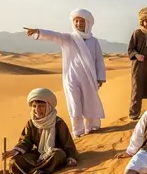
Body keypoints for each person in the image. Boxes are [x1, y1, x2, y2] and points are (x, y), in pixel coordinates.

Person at [24, 9, 106, 137]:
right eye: (76, 21)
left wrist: (100, 77)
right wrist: (38, 32)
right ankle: (78, 131)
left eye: (81, 21)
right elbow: (54, 35)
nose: (79, 24)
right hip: (72, 78)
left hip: (89, 78)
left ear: (88, 23)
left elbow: (99, 60)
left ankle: (92, 127)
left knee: (90, 102)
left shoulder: (93, 41)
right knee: (74, 104)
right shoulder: (68, 38)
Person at [2, 88, 78, 174]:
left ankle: (34, 170)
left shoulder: (58, 122)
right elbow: (26, 142)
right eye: (34, 106)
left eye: (41, 106)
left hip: (53, 154)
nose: (37, 110)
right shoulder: (31, 123)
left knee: (57, 154)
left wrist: (71, 157)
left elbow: (68, 144)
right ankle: (39, 170)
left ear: (49, 106)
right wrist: (13, 151)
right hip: (39, 154)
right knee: (14, 161)